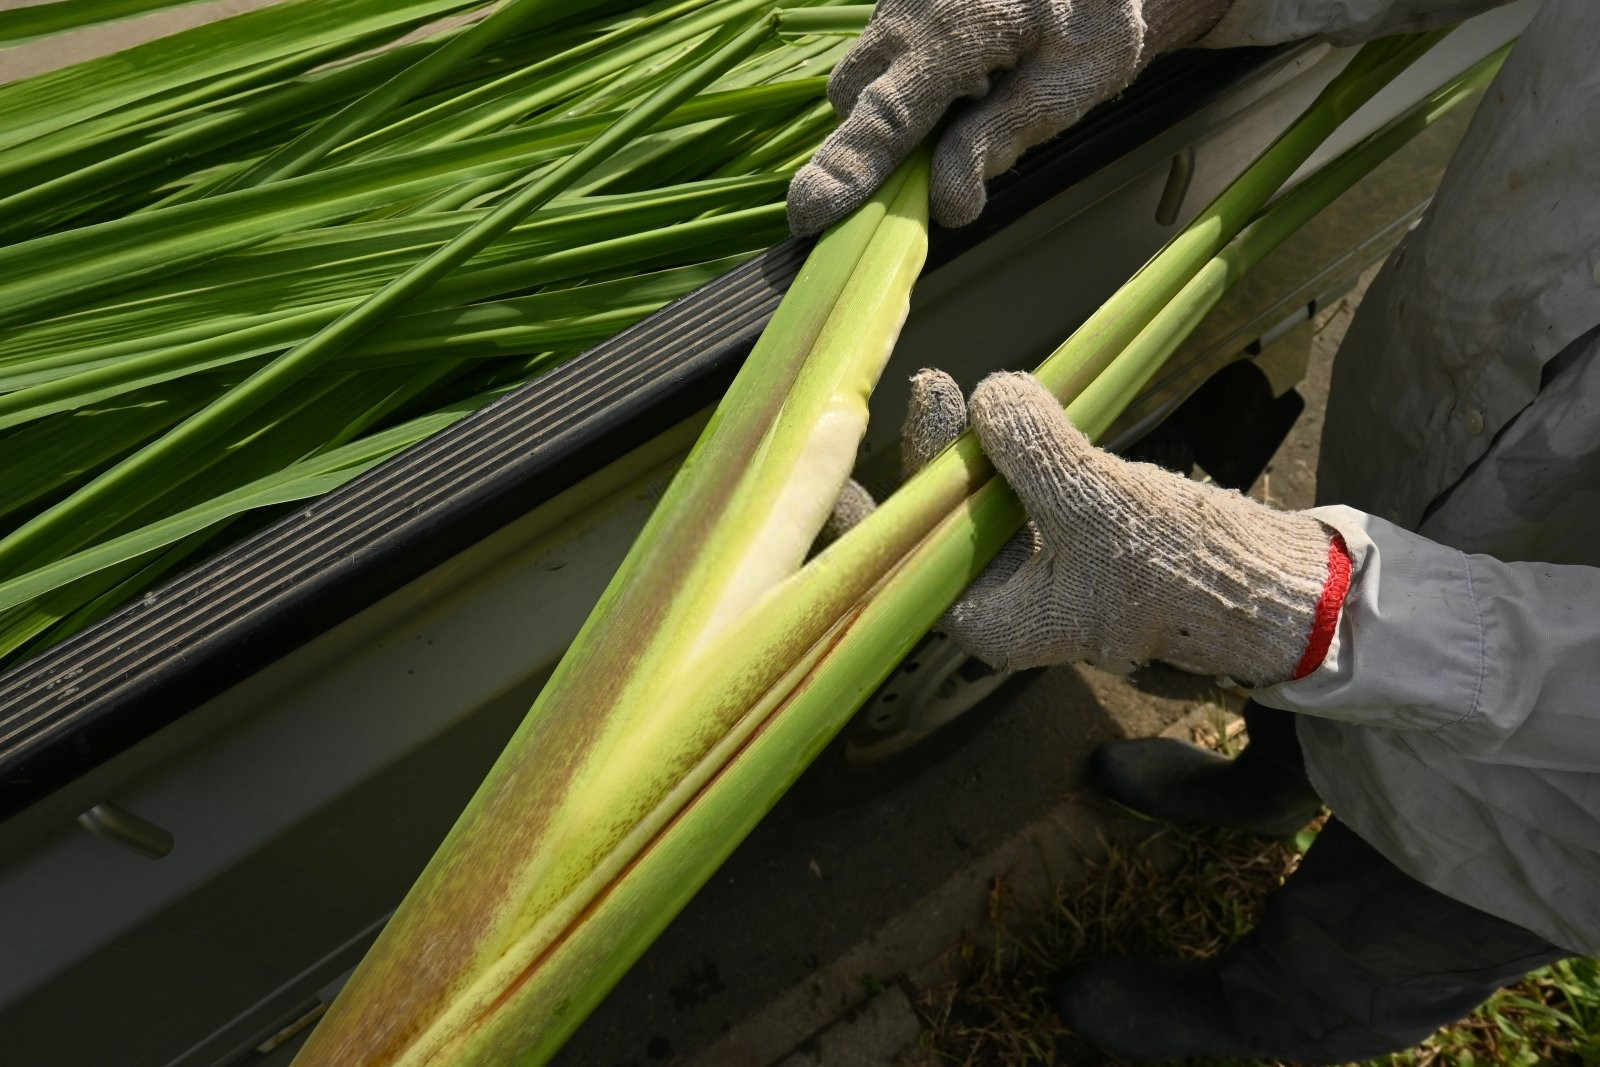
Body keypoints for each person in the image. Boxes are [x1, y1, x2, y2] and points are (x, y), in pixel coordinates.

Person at [791, 0, 1600, 1061]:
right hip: (1424, 423)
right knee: (1305, 713)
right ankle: (1264, 789)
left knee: (1390, 926)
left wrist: (1286, 606)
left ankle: (1239, 1022)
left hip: (1558, 794)